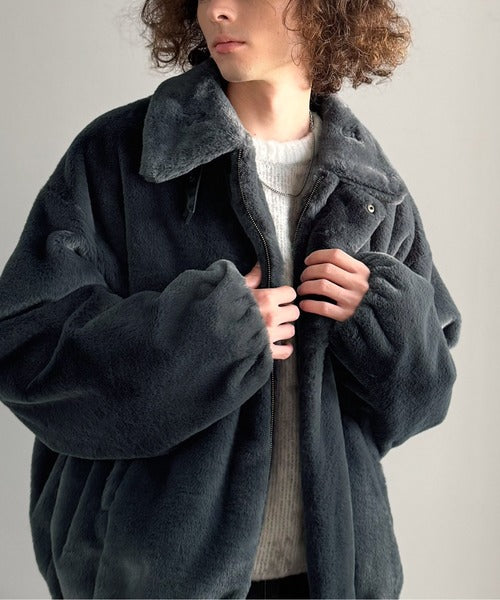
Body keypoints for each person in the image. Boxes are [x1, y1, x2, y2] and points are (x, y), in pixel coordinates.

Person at [0, 0, 462, 598]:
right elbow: (25, 351)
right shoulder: (119, 156)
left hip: (330, 580)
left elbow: (421, 405)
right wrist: (199, 336)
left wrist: (387, 324)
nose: (217, 9)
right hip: (152, 580)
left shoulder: (371, 189)